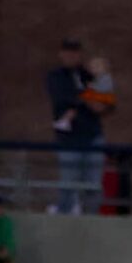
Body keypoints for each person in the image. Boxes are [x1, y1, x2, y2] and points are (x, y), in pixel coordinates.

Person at [46, 38, 102, 214]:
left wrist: (99, 81)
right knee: (68, 183)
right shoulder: (55, 76)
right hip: (68, 139)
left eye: (75, 52)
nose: (71, 56)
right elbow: (62, 99)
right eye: (67, 52)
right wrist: (87, 97)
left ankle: (90, 218)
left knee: (93, 185)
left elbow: (106, 103)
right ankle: (64, 215)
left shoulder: (88, 75)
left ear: (80, 55)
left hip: (93, 136)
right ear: (61, 54)